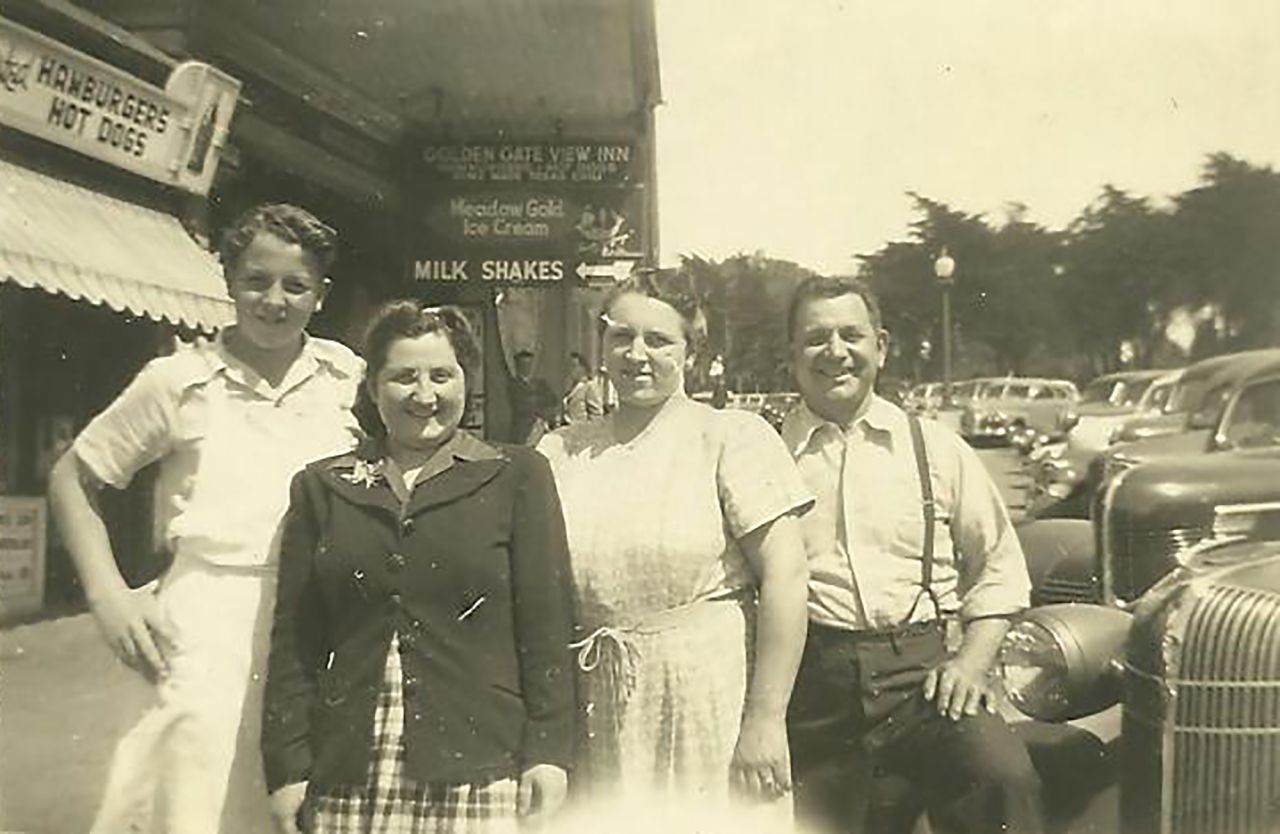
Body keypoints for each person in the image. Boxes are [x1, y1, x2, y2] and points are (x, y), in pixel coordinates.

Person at [47, 203, 363, 834]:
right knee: (196, 799)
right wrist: (109, 595)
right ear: (228, 281)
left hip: (321, 619)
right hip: (206, 621)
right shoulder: (179, 380)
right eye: (256, 280)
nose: (273, 300)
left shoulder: (349, 378)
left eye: (295, 286)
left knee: (305, 799)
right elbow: (72, 478)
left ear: (320, 295)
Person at [262, 302, 576, 834]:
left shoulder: (516, 475)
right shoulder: (322, 486)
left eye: (442, 375)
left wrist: (549, 749)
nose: (424, 396)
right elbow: (297, 639)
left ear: (466, 381)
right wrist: (288, 765)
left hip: (480, 763)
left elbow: (546, 624)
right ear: (372, 387)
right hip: (352, 768)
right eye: (403, 377)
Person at [535, 272, 813, 823]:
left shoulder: (731, 436)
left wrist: (765, 718)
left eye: (659, 340)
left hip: (705, 699)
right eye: (622, 338)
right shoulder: (559, 449)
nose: (637, 355)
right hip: (597, 699)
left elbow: (787, 574)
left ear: (691, 351)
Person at [780, 275, 1042, 834]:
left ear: (881, 345)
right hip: (809, 691)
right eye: (815, 338)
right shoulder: (764, 456)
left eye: (851, 335)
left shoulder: (936, 449)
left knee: (1003, 779)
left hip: (921, 684)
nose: (835, 353)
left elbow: (999, 570)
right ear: (792, 354)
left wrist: (971, 662)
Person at [507, 349, 558, 444]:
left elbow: (553, 399)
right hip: (522, 430)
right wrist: (539, 401)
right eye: (523, 364)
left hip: (540, 428)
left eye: (529, 364)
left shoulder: (540, 383)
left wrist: (533, 401)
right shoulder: (513, 385)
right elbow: (520, 406)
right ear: (517, 366)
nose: (526, 367)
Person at [562, 351, 604, 424]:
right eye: (568, 366)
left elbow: (596, 415)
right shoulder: (571, 388)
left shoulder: (589, 386)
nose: (571, 370)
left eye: (574, 366)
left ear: (583, 368)